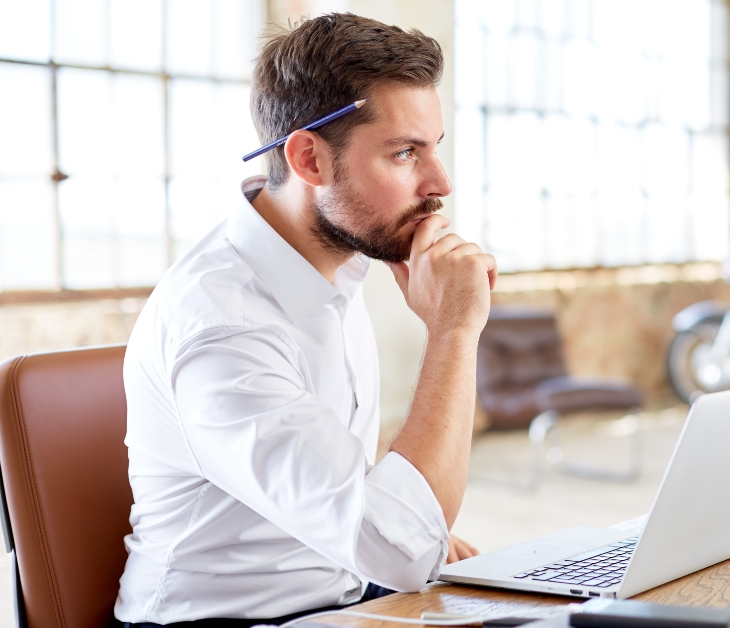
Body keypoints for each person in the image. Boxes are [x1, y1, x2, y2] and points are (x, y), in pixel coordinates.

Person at [115, 13, 496, 627]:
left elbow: (376, 523)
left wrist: (407, 528)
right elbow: (399, 550)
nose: (440, 184)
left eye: (434, 148)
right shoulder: (223, 324)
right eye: (405, 153)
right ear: (309, 160)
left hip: (344, 594)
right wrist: (453, 330)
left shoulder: (338, 266)